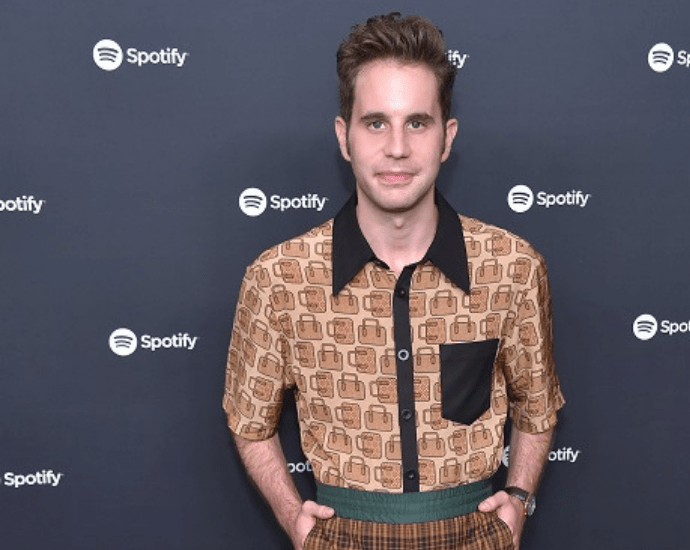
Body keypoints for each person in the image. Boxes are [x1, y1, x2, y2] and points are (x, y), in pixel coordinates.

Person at [223, 12, 564, 550]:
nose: (397, 148)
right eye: (376, 122)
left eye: (418, 123)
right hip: (339, 535)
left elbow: (538, 406)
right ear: (345, 136)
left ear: (447, 138)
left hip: (475, 533)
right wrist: (294, 518)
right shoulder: (279, 278)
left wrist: (518, 497)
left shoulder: (511, 267)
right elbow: (249, 421)